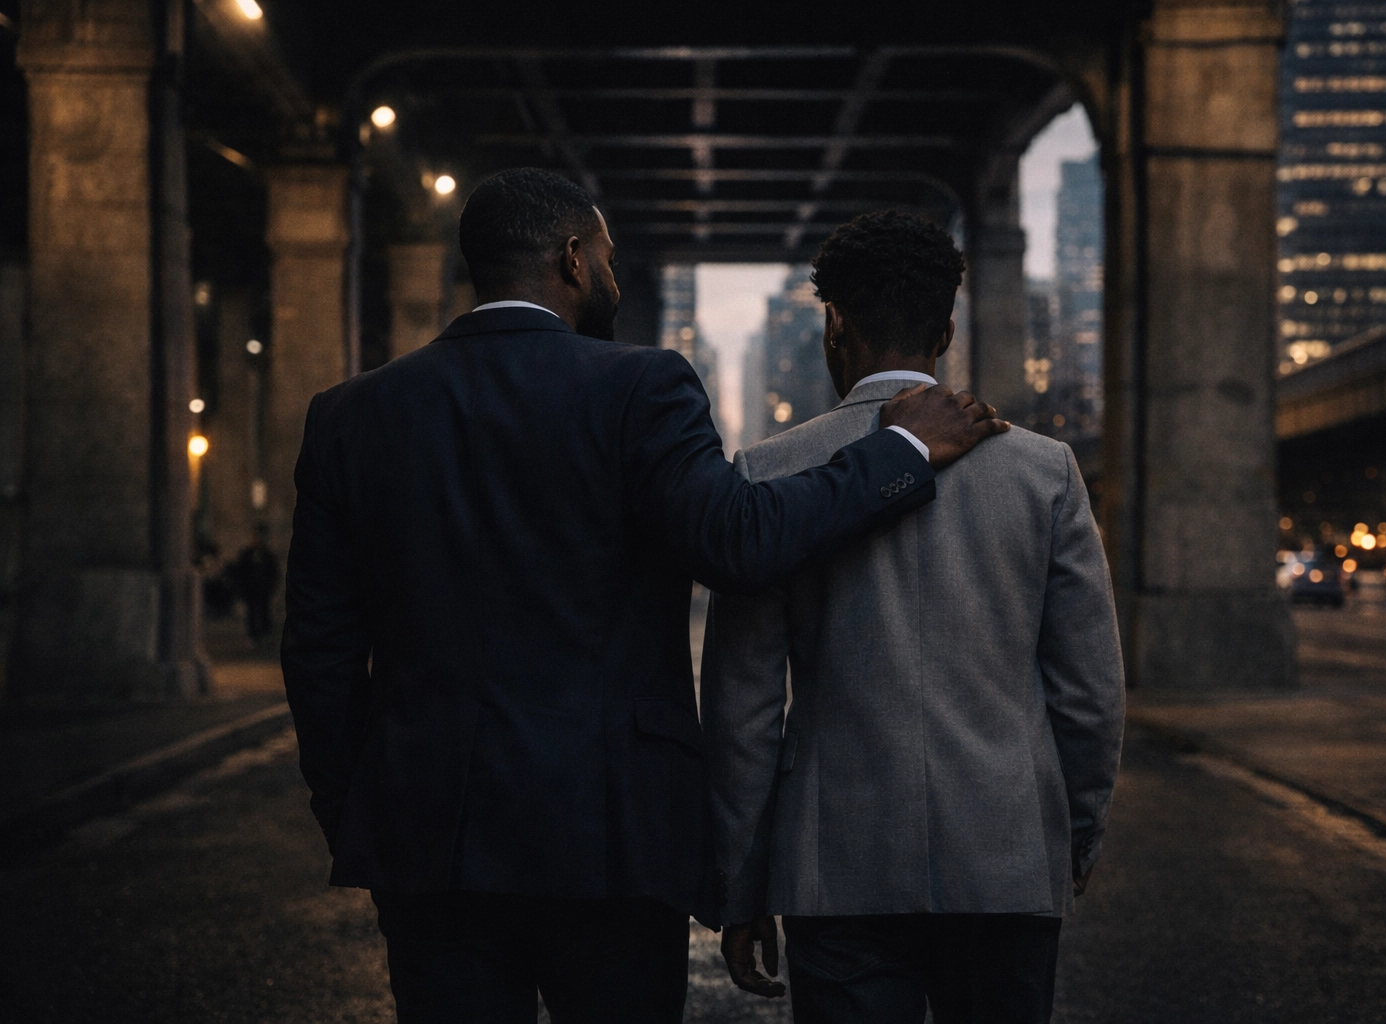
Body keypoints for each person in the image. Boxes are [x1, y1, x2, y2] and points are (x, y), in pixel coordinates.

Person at [280, 169, 1007, 1024]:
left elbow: (319, 650)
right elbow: (738, 539)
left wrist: (358, 812)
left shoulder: (350, 416)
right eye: (611, 258)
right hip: (613, 837)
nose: (615, 278)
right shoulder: (640, 388)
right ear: (574, 259)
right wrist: (901, 453)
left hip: (428, 838)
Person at [702, 211, 1126, 1024]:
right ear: (947, 331)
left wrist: (744, 876)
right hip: (1004, 857)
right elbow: (1088, 690)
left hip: (839, 867)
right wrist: (1072, 829)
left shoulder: (768, 474)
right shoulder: (1045, 472)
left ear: (835, 326)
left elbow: (744, 710)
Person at [231, 525, 278, 641]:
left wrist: (270, 585)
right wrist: (242, 587)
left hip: (263, 589)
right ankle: (253, 635)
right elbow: (240, 571)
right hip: (250, 589)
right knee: (251, 613)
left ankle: (265, 633)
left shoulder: (267, 554)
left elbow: (273, 572)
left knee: (264, 611)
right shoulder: (246, 554)